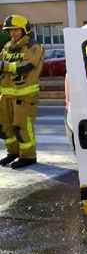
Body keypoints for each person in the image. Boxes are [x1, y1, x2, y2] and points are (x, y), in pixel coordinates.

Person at [0, 15, 44, 169]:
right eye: (10, 30)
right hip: (6, 95)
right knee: (4, 127)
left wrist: (4, 67)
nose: (13, 33)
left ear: (24, 29)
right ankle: (13, 153)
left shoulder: (33, 46)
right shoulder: (7, 46)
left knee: (21, 127)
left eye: (16, 29)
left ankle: (28, 156)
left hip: (25, 96)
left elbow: (26, 66)